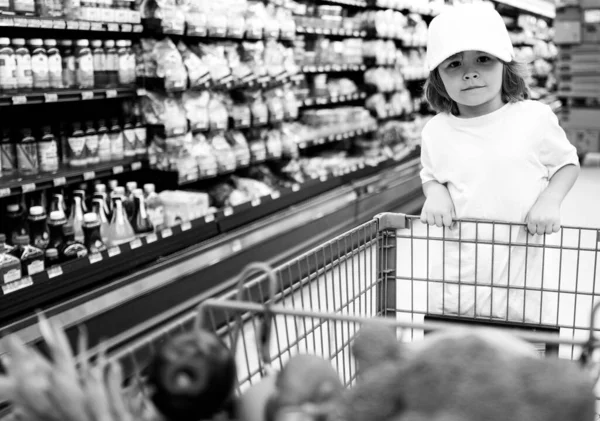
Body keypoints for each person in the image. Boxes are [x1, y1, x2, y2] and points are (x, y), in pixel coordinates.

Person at [417, 2, 580, 323]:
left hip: (519, 267)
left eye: (483, 59)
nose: (470, 72)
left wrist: (550, 200)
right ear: (438, 78)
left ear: (507, 65)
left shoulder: (534, 119)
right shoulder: (436, 130)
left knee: (519, 356)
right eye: (453, 64)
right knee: (455, 356)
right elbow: (430, 173)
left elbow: (567, 163)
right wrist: (434, 193)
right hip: (459, 272)